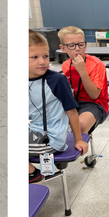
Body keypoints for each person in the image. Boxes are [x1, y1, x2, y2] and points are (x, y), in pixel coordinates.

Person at [29, 30, 88, 184]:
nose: (42, 61)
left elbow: (72, 112)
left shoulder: (56, 80)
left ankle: (32, 174)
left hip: (50, 139)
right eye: (34, 57)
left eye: (45, 56)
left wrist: (78, 140)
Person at [58, 26, 109, 135]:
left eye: (81, 44)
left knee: (80, 126)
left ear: (85, 46)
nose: (77, 48)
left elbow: (94, 95)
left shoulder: (97, 64)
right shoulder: (66, 65)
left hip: (94, 104)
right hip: (73, 102)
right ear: (63, 48)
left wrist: (82, 71)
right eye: (71, 45)